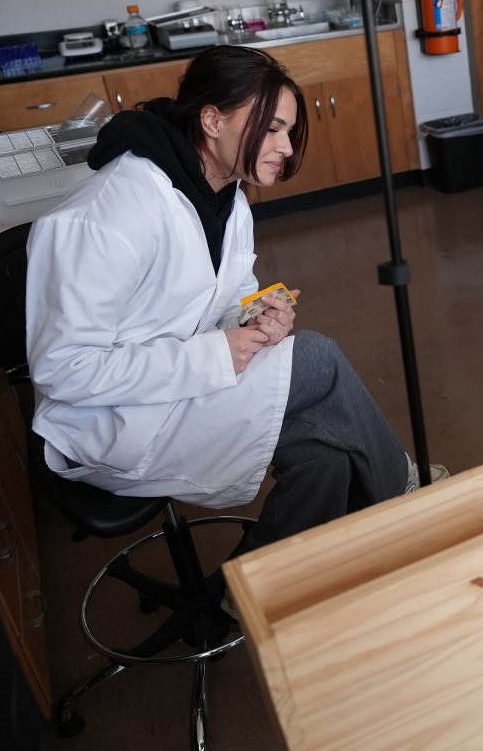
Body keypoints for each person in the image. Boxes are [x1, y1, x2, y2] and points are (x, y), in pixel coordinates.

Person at [26, 45, 424, 555]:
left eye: (288, 131)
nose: (284, 146)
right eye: (272, 128)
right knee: (317, 358)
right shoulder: (105, 215)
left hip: (177, 389)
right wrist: (217, 353)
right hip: (111, 424)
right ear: (212, 120)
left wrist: (256, 314)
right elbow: (65, 369)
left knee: (327, 454)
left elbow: (222, 291)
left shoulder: (224, 194)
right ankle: (410, 496)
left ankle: (247, 598)